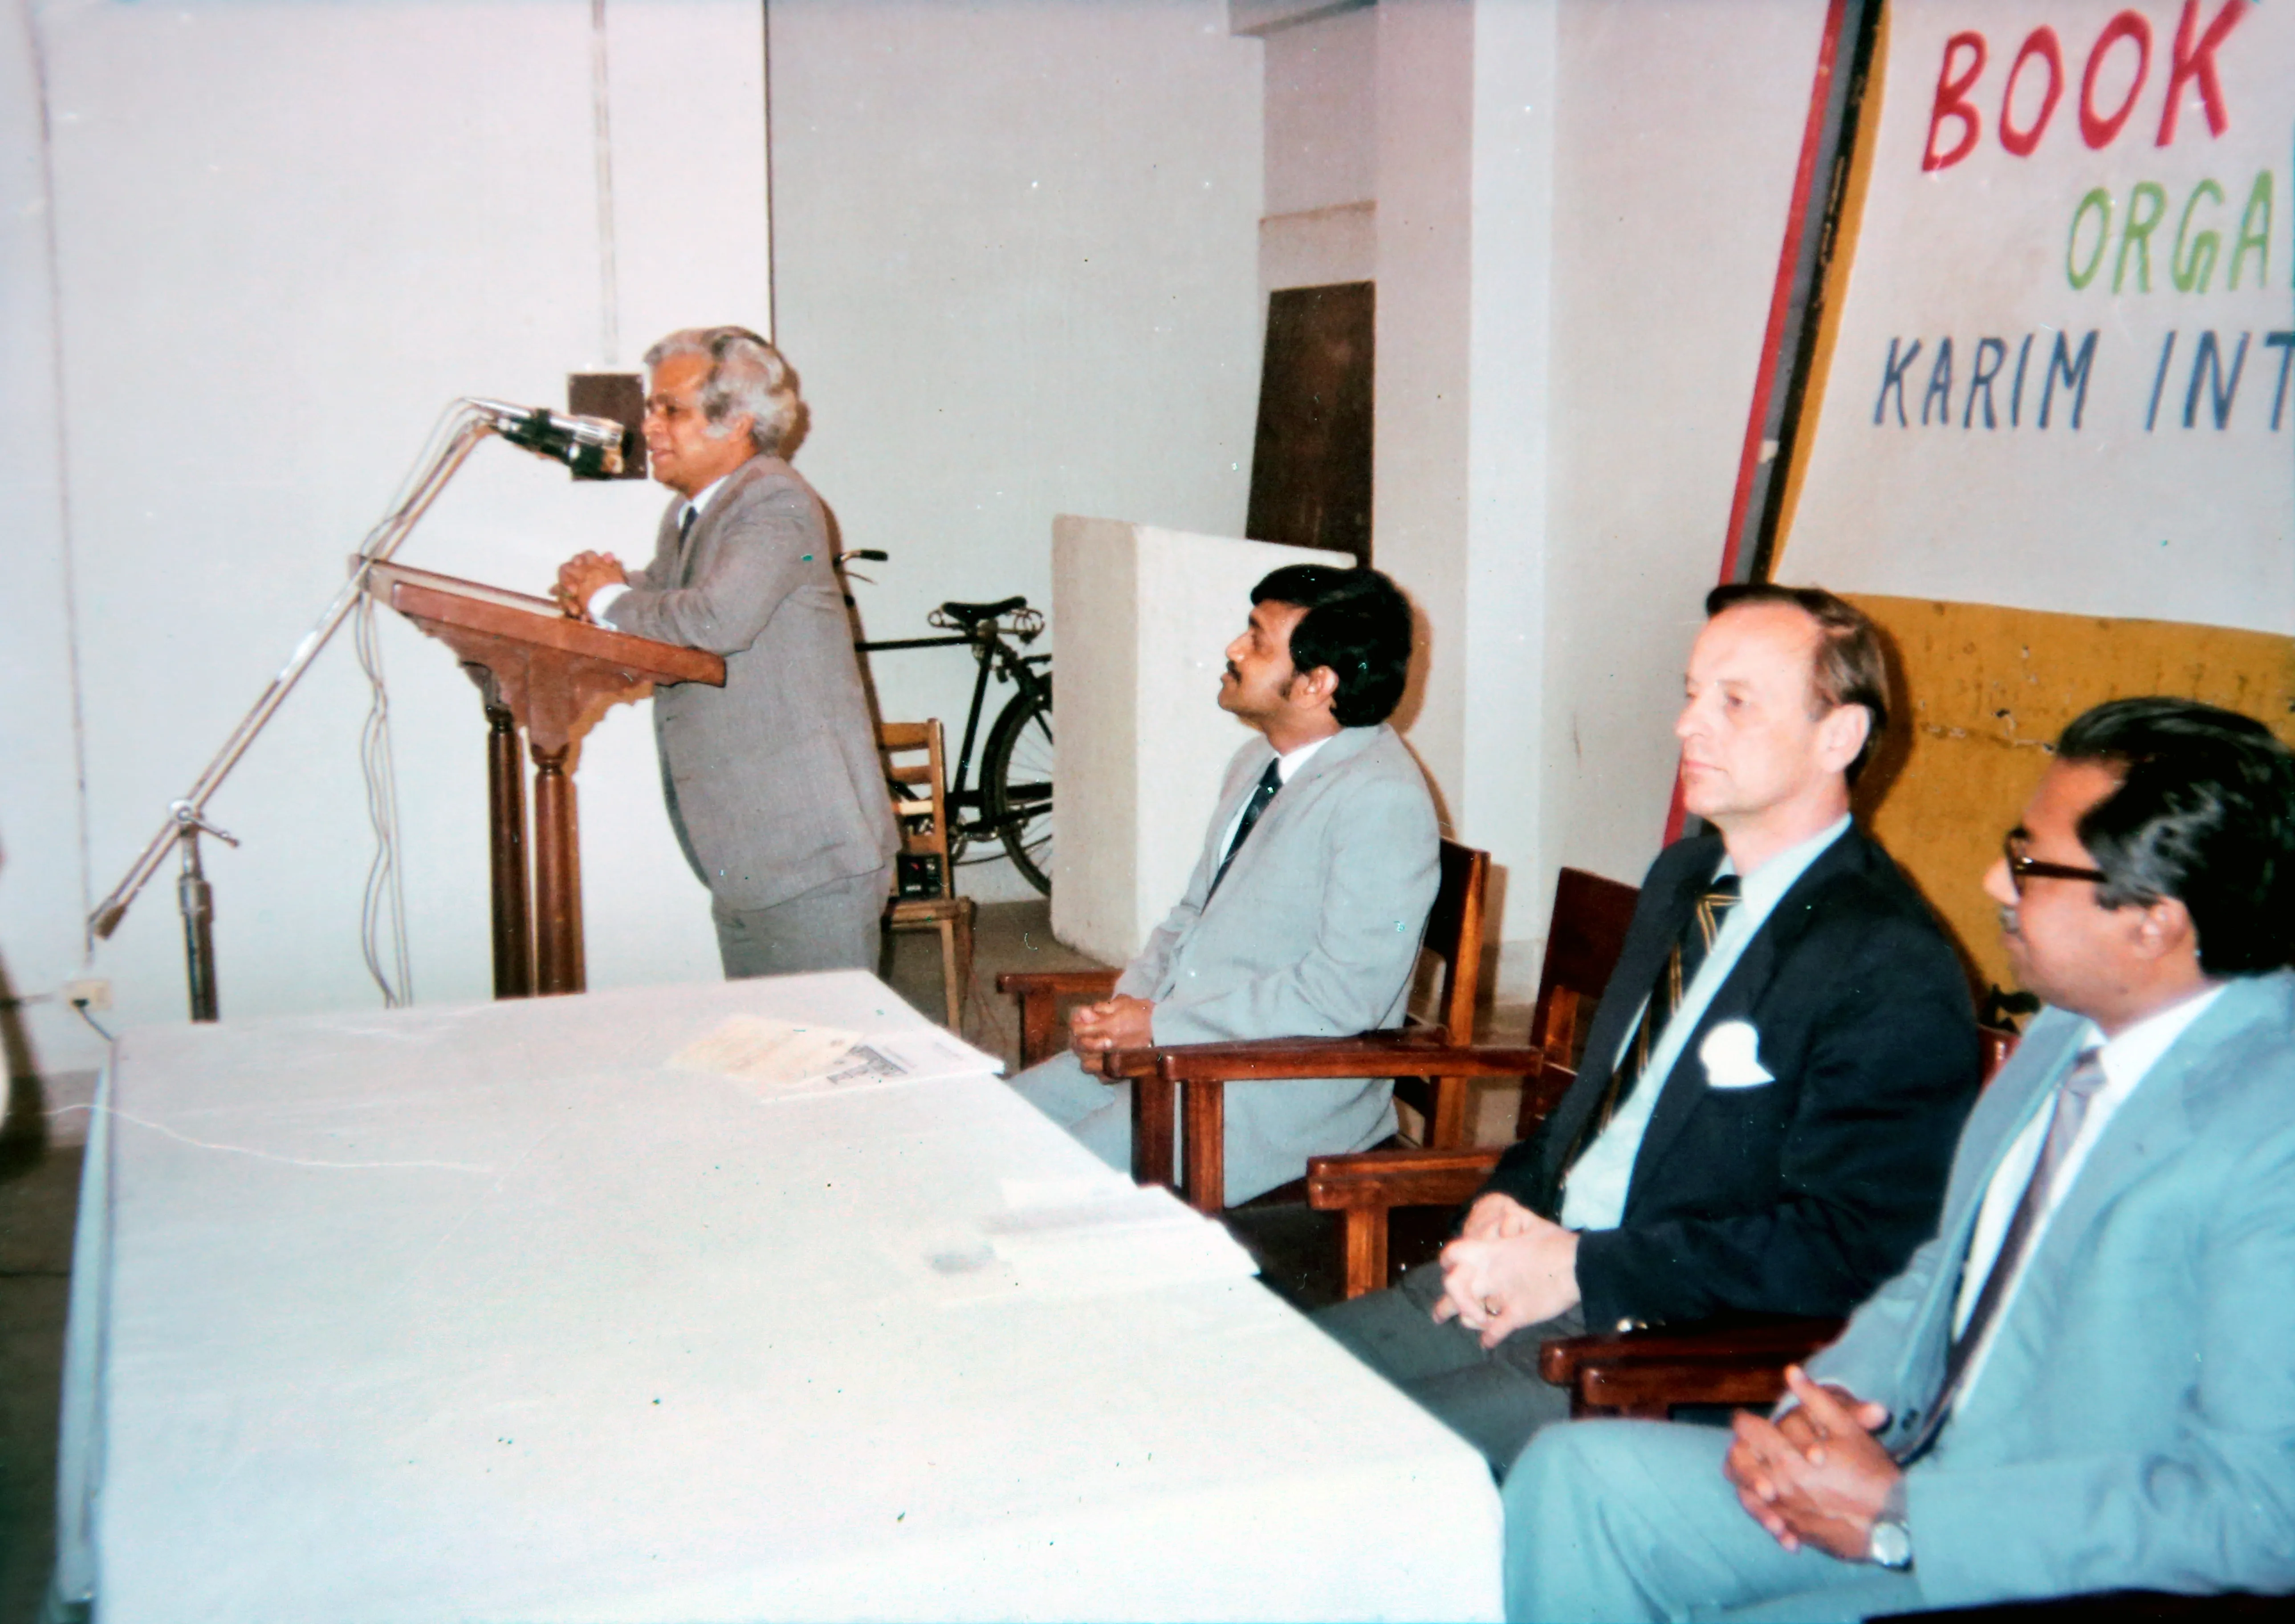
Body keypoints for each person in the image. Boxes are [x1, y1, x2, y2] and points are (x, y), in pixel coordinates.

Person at [1507, 696, 2295, 1621]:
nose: (1995, 881)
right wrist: (1831, 1405)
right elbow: (1942, 1273)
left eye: (2030, 864)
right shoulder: (2067, 1031)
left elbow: (2263, 1512)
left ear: (2154, 923)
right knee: (1576, 1481)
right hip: (1916, 1472)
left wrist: (1908, 1516)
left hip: (2062, 1566)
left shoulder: (2269, 1136)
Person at [1318, 583, 1982, 1472]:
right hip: (1533, 1278)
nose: (1687, 726)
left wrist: (1581, 1269)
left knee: (1320, 1465)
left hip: (1656, 1354)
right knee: (1252, 1386)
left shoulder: (1886, 956)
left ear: (1840, 736)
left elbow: (1855, 1246)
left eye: (1734, 702)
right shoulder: (1686, 878)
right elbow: (1597, 1116)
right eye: (1692, 693)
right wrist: (1508, 1202)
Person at [1008, 564, 1439, 1206]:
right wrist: (1119, 1015)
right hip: (1184, 1051)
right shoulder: (1258, 761)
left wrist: (1160, 1027)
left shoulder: (1381, 799)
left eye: (1258, 640)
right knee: (986, 1128)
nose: (1234, 650)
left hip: (1272, 1090)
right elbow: (1191, 917)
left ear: (1317, 683)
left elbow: (1343, 996)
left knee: (1036, 1191)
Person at [556, 327, 895, 979]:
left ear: (737, 421)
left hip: (808, 852)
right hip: (746, 851)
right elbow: (661, 605)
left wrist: (606, 598)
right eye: (651, 408)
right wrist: (597, 590)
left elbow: (713, 620)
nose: (649, 426)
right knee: (765, 1037)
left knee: (823, 1039)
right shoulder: (692, 515)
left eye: (670, 410)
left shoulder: (774, 500)